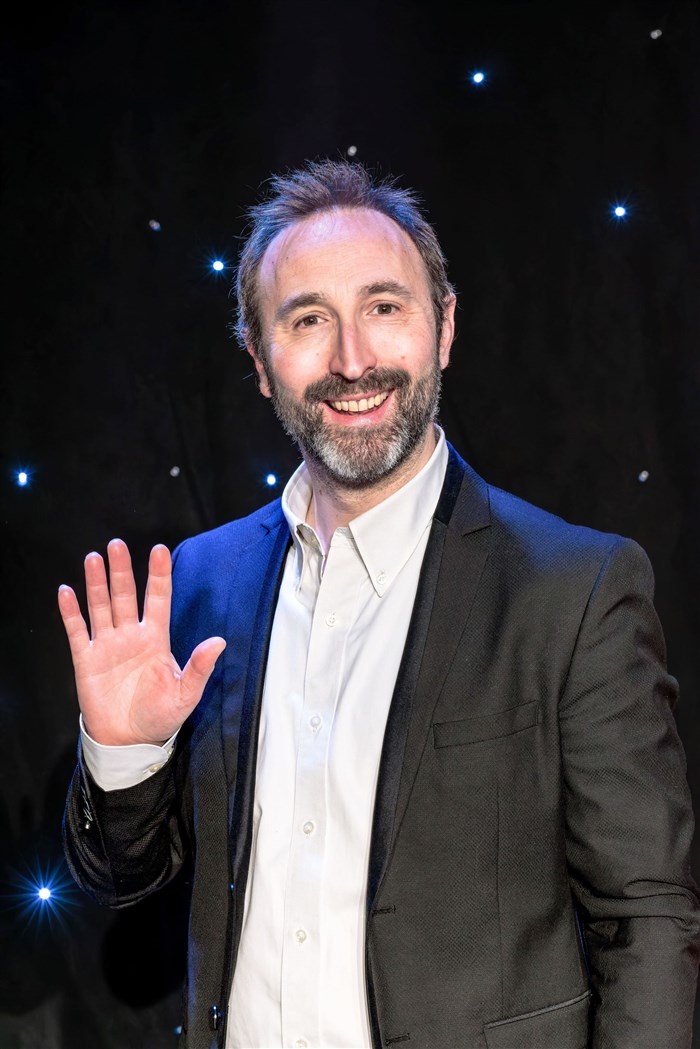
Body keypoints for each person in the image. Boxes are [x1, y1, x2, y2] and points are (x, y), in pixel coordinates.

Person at [60, 158, 700, 1049]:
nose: (352, 359)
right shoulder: (201, 581)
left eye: (384, 307)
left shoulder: (574, 590)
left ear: (444, 329)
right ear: (259, 360)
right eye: (308, 319)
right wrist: (126, 755)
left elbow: (648, 921)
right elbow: (124, 881)